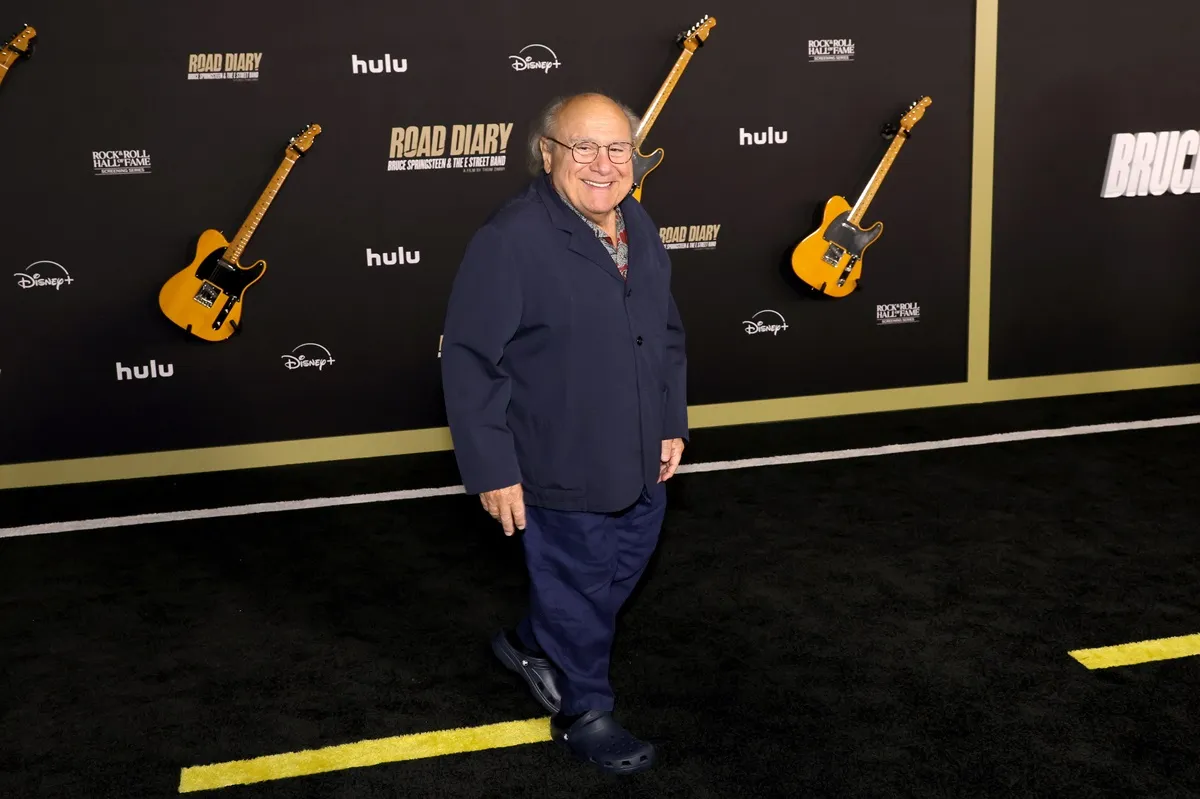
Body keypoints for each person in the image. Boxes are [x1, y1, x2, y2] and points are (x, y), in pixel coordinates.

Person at [439, 92, 688, 775]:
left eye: (617, 148)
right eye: (584, 147)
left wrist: (670, 420)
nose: (604, 164)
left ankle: (528, 639)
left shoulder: (636, 219)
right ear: (547, 152)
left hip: (640, 455)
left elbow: (664, 331)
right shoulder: (510, 238)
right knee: (579, 588)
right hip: (559, 457)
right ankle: (584, 711)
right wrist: (491, 467)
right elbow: (469, 358)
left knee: (614, 575)